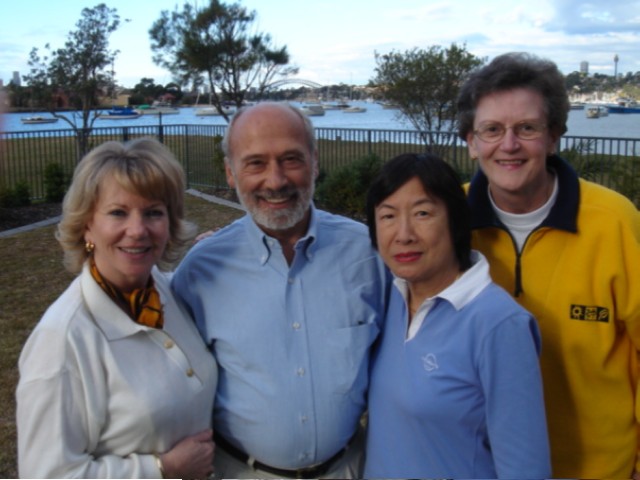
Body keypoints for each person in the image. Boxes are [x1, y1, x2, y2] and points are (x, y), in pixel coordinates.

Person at [171, 102, 389, 479]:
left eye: (291, 159)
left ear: (314, 163)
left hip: (349, 469)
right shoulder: (200, 271)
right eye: (255, 163)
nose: (275, 181)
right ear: (230, 172)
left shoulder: (368, 254)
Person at [458, 51, 640, 479]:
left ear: (554, 136)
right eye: (492, 129)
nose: (509, 145)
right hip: (482, 467)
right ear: (471, 142)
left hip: (598, 468)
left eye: (527, 128)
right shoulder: (449, 221)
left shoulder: (614, 222)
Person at [16, 138, 217, 478]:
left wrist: (216, 247)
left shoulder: (163, 291)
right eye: (118, 213)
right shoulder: (62, 342)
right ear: (87, 224)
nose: (137, 230)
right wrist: (162, 469)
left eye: (153, 212)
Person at [363, 152, 550, 478]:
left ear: (455, 221)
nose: (404, 234)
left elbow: (525, 467)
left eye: (422, 213)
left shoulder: (499, 324)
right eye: (388, 216)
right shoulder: (389, 298)